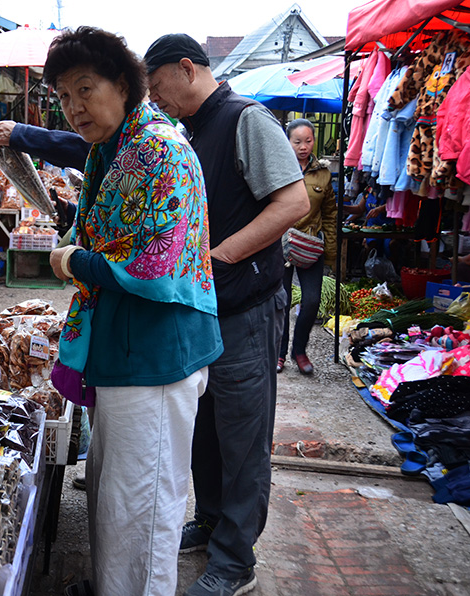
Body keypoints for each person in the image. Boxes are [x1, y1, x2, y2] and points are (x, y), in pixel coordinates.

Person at [44, 27, 222, 596]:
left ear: (123, 86)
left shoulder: (154, 149)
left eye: (85, 89)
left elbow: (151, 263)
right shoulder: (111, 150)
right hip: (124, 350)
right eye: (63, 96)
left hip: (157, 353)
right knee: (116, 494)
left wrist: (75, 262)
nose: (74, 107)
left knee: (144, 507)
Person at [144, 33, 310, 596]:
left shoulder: (247, 119)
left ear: (186, 69)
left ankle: (237, 560)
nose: (153, 96)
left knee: (242, 434)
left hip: (246, 306)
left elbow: (293, 203)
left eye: (156, 83)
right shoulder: (190, 131)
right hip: (207, 310)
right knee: (206, 429)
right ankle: (213, 521)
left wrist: (220, 255)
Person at [278, 119, 337, 375]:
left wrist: (331, 251)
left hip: (311, 245)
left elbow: (331, 213)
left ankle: (299, 351)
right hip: (280, 244)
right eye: (297, 141)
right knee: (281, 301)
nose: (304, 147)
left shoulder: (322, 173)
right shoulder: (278, 168)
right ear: (288, 141)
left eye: (308, 141)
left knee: (311, 301)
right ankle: (278, 354)